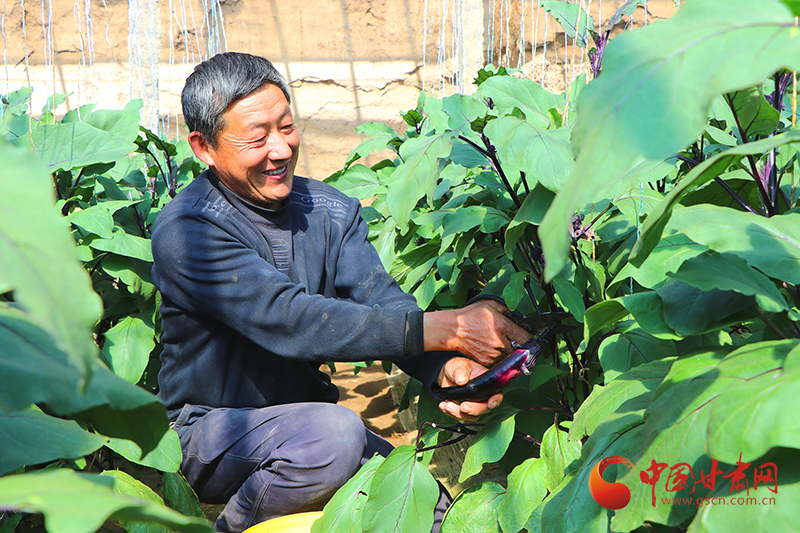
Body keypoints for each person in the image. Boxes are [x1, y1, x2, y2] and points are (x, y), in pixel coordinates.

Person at [150, 51, 529, 533]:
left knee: (431, 514)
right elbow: (291, 320)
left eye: (286, 127)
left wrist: (444, 368)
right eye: (258, 137)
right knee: (333, 435)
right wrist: (451, 328)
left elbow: (384, 303)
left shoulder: (330, 211)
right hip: (207, 435)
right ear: (204, 147)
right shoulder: (189, 231)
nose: (281, 149)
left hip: (310, 435)